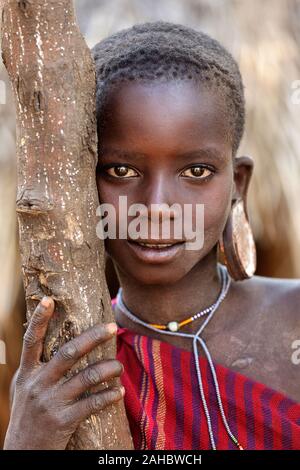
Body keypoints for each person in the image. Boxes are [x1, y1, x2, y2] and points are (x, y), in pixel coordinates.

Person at [4, 22, 300, 450]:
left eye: (195, 172)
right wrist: (26, 440)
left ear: (238, 183)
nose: (157, 206)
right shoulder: (62, 373)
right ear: (82, 186)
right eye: (122, 171)